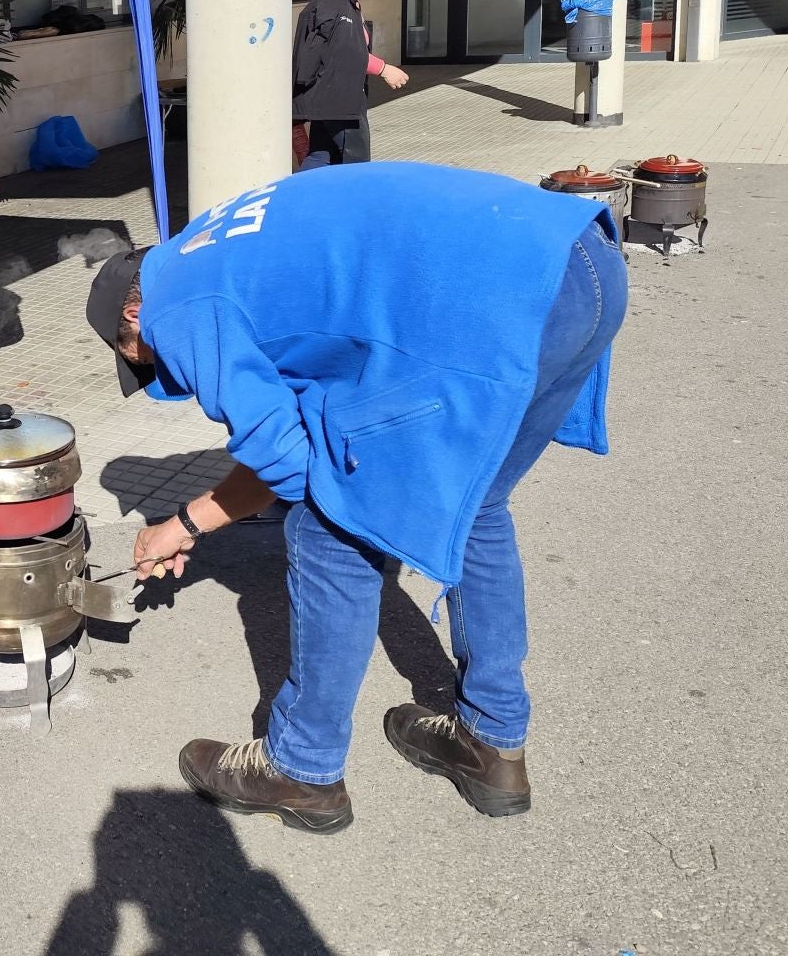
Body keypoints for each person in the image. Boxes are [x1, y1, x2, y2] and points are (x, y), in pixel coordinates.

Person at [85, 163, 627, 833]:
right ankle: (492, 738)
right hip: (579, 257)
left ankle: (301, 767)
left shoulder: (179, 307)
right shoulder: (213, 245)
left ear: (133, 312)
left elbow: (286, 460)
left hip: (488, 301)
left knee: (328, 522)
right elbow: (305, 402)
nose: (147, 364)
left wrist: (189, 521)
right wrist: (191, 521)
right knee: (479, 503)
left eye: (132, 351)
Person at [292, 0, 407, 168]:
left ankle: (307, 201)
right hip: (339, 102)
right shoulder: (335, 4)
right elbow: (346, 52)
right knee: (355, 166)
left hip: (330, 101)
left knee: (320, 158)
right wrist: (385, 69)